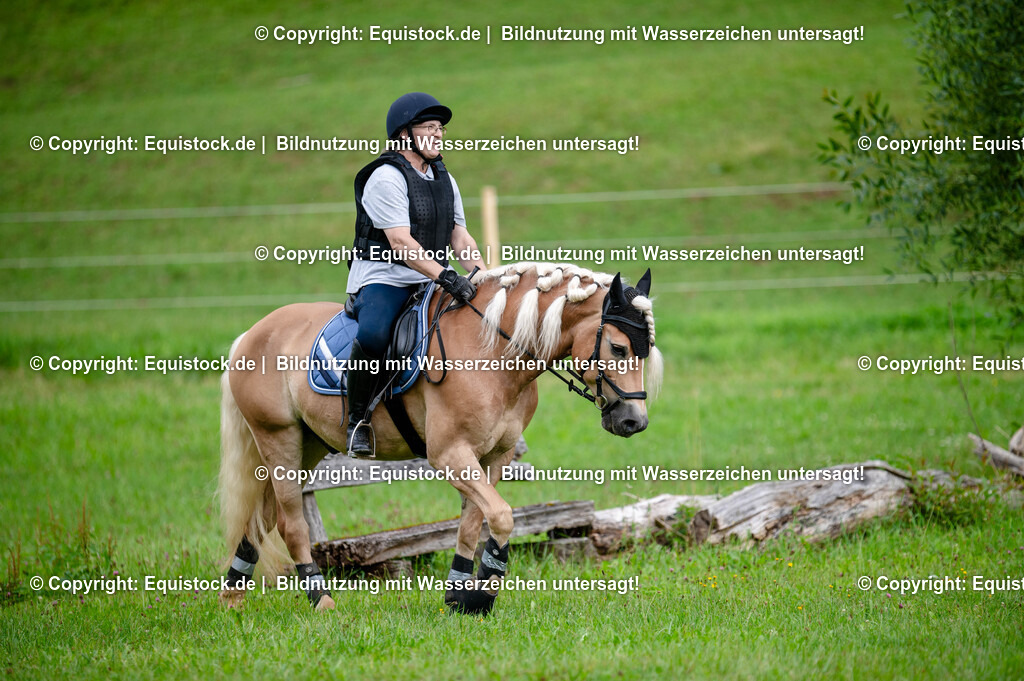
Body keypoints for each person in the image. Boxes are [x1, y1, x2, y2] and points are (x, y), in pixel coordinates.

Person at [344, 92, 485, 457]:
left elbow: (459, 235)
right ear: (405, 134)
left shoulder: (444, 178)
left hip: (433, 276)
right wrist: (447, 277)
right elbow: (401, 243)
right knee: (374, 335)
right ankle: (356, 420)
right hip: (384, 277)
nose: (439, 135)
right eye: (430, 128)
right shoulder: (384, 178)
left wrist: (482, 274)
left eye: (441, 129)